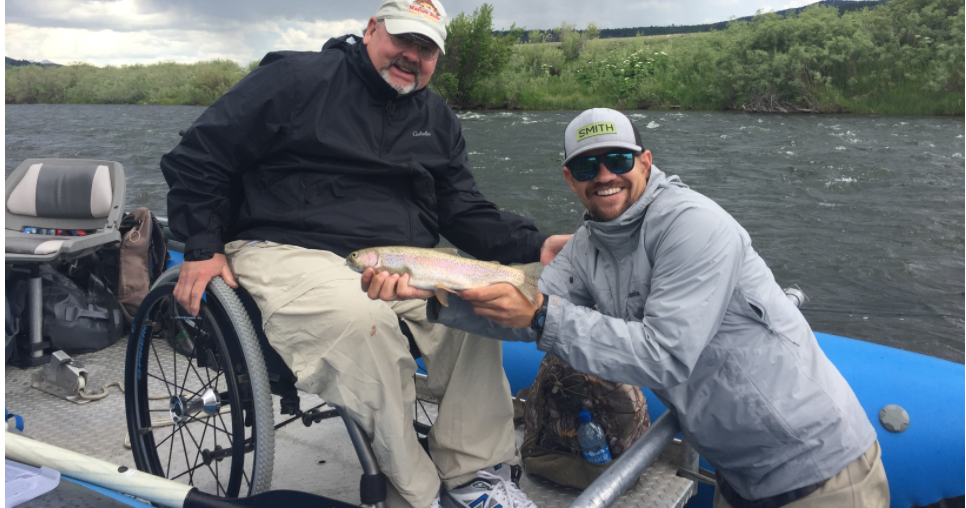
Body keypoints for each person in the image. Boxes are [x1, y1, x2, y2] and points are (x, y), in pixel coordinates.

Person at [161, 0, 569, 508]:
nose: (412, 57)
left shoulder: (438, 119)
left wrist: (537, 243)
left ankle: (475, 478)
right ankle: (417, 494)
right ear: (372, 28)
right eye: (403, 39)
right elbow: (199, 156)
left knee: (476, 309)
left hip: (399, 258)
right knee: (363, 321)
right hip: (286, 247)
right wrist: (200, 245)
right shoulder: (295, 80)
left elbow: (462, 210)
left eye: (427, 50)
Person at [364, 107, 889, 508]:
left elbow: (664, 355)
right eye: (587, 165)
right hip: (737, 470)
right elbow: (527, 312)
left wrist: (544, 315)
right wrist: (434, 298)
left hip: (822, 470)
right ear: (570, 178)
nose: (604, 175)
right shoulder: (586, 247)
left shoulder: (694, 226)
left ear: (645, 161)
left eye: (617, 159)